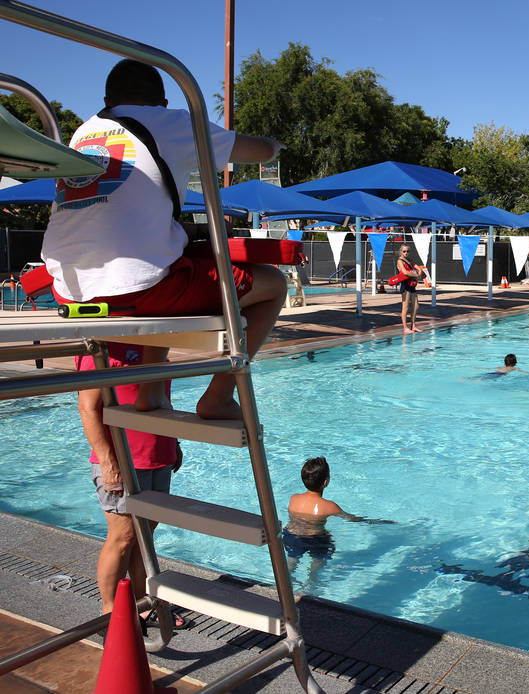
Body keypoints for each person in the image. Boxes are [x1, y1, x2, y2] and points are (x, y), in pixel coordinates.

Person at [42, 59, 286, 420]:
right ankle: (218, 395)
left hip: (66, 287)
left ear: (107, 99)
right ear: (163, 102)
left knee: (165, 263)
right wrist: (276, 144)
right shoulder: (170, 123)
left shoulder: (83, 134)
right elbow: (261, 151)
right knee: (275, 284)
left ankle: (151, 394)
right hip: (134, 290)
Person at [76, 342, 187, 628]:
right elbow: (88, 408)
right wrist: (106, 460)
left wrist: (174, 441)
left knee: (145, 535)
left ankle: (142, 604)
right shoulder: (103, 349)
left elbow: (162, 397)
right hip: (123, 460)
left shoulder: (154, 345)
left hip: (157, 454)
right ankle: (110, 615)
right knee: (123, 537)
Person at [283, 457, 392, 585]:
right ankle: (312, 582)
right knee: (317, 562)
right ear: (325, 482)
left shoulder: (294, 498)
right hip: (316, 540)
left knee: (292, 560)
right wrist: (372, 521)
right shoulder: (330, 506)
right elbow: (351, 518)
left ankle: (284, 582)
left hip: (291, 536)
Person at [395, 244, 424, 334]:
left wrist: (419, 271)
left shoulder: (410, 260)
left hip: (412, 284)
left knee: (416, 306)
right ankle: (405, 327)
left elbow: (418, 267)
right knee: (406, 307)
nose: (406, 253)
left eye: (407, 251)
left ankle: (413, 326)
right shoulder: (400, 261)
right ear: (400, 252)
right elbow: (405, 272)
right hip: (405, 285)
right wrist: (417, 275)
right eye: (404, 251)